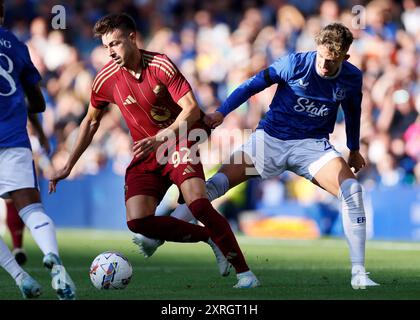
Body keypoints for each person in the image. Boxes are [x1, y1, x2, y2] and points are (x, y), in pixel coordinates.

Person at [133, 23, 380, 290]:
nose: (324, 65)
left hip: (311, 146)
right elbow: (251, 86)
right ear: (316, 49)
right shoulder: (294, 64)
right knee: (213, 187)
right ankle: (157, 237)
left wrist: (353, 149)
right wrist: (222, 112)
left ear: (345, 57)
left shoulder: (352, 77)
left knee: (353, 192)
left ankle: (359, 274)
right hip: (270, 140)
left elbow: (353, 110)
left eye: (332, 61)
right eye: (321, 57)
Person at [49, 13, 260, 289]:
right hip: (147, 151)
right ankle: (209, 238)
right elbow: (90, 121)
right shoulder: (105, 80)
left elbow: (191, 108)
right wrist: (68, 165)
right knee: (138, 221)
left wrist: (162, 137)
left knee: (197, 203)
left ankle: (245, 273)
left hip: (180, 141)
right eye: (106, 47)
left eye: (114, 44)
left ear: (132, 38)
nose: (110, 52)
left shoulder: (160, 65)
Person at [0, 2, 76, 299]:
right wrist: (40, 130)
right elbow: (38, 101)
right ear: (2, 15)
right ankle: (53, 260)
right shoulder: (16, 44)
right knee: (31, 208)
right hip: (14, 139)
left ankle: (21, 278)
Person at [5, 113, 52, 266]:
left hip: (9, 144)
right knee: (28, 208)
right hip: (13, 148)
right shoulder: (29, 138)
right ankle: (51, 253)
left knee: (11, 203)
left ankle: (18, 247)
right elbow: (35, 103)